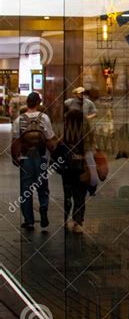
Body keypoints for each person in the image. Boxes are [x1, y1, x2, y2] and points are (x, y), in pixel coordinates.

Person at [11, 92, 56, 230]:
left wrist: (15, 158)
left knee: (26, 190)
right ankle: (43, 207)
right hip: (41, 157)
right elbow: (50, 137)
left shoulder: (19, 120)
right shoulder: (44, 118)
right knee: (43, 187)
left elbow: (15, 140)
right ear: (38, 103)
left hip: (26, 159)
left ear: (27, 104)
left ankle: (29, 220)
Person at [55, 109, 98, 234]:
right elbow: (91, 147)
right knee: (80, 195)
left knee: (68, 194)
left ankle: (66, 218)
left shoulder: (67, 133)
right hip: (81, 167)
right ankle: (78, 221)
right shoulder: (87, 131)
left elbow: (58, 146)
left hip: (68, 169)